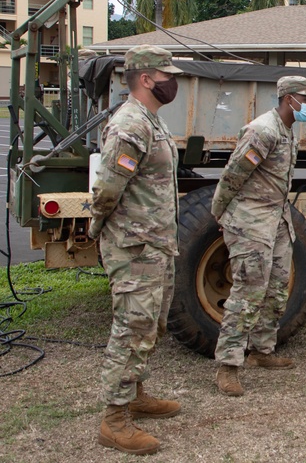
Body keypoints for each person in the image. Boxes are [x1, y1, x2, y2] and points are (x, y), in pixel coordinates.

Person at [90, 44, 184, 456]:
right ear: (146, 79)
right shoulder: (130, 124)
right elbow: (108, 188)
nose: (172, 82)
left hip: (155, 244)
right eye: (166, 76)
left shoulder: (152, 120)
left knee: (150, 327)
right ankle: (113, 420)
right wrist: (100, 230)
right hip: (134, 247)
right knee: (131, 330)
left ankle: (136, 393)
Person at [212, 75, 306, 397]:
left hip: (276, 218)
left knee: (276, 289)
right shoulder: (263, 130)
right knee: (247, 293)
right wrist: (220, 213)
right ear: (289, 99)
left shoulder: (288, 130)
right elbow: (233, 175)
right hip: (251, 222)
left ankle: (262, 351)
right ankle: (228, 366)